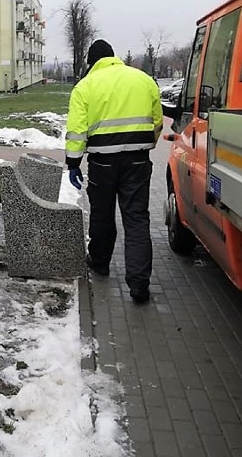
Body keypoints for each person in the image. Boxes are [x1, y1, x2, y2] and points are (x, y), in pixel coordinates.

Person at [65, 39, 162, 304]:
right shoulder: (143, 80)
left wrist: (73, 163)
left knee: (102, 215)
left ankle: (100, 262)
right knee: (136, 218)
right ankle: (140, 283)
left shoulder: (85, 86)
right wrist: (146, 144)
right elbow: (157, 121)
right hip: (138, 161)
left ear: (92, 62)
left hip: (102, 163)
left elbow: (76, 130)